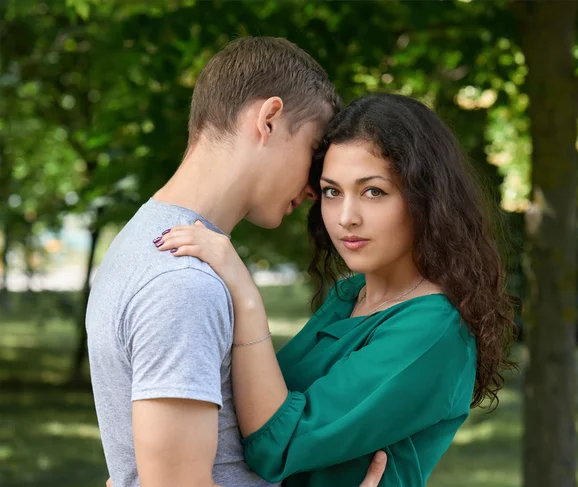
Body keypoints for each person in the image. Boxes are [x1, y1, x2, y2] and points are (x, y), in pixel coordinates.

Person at [156, 93, 520, 486]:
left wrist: (245, 295)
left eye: (373, 191)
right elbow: (242, 408)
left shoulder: (433, 329)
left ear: (426, 199)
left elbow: (277, 446)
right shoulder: (351, 295)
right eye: (332, 191)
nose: (346, 217)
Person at [88, 36, 385, 487]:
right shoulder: (182, 281)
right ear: (269, 119)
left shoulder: (142, 241)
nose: (313, 188)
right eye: (314, 151)